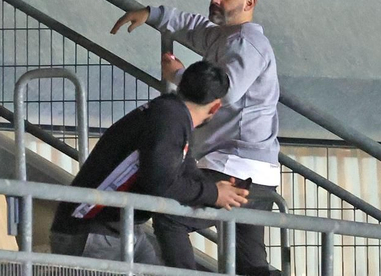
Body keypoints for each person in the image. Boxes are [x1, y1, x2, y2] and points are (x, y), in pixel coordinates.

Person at [112, 0, 282, 275]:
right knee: (249, 266)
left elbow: (225, 91)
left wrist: (177, 74)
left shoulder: (248, 43)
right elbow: (192, 25)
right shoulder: (223, 36)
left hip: (236, 165)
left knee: (170, 217)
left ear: (249, 3)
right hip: (251, 171)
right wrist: (152, 14)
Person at [49, 61, 249, 267]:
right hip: (93, 231)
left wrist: (219, 191)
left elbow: (185, 168)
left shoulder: (171, 113)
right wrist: (213, 194)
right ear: (216, 107)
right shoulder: (169, 119)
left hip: (116, 229)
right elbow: (160, 182)